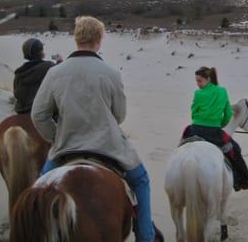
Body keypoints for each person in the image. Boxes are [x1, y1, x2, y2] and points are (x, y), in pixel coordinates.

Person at [31, 16, 163, 242]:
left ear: (76, 39)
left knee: (37, 193)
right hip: (108, 147)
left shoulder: (55, 73)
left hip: (66, 149)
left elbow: (38, 115)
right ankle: (145, 235)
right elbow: (119, 115)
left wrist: (57, 136)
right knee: (141, 181)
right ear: (99, 40)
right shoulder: (111, 73)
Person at [182, 66, 248, 191]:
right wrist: (220, 124)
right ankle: (244, 180)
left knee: (182, 144)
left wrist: (200, 118)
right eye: (196, 81)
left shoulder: (198, 94)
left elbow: (193, 112)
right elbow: (228, 114)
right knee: (234, 149)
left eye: (200, 81)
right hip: (213, 131)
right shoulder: (222, 91)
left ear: (208, 79)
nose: (198, 84)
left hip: (195, 128)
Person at [13, 38, 62, 114]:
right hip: (42, 111)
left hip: (21, 111)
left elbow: (17, 94)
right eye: (42, 49)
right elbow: (61, 76)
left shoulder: (19, 73)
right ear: (40, 52)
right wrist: (60, 61)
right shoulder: (48, 66)